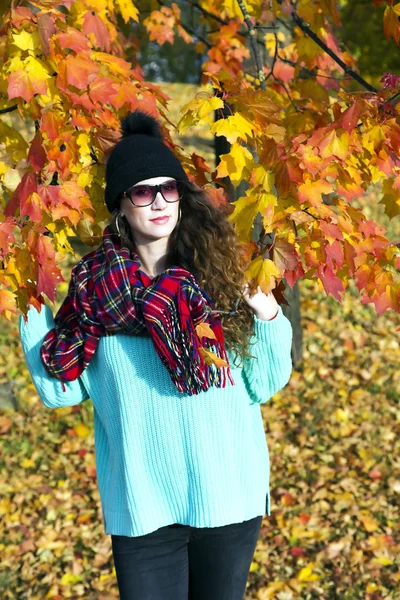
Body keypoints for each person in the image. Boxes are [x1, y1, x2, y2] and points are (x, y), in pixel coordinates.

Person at [19, 110, 293, 600]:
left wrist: (270, 318)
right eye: (143, 192)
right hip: (143, 509)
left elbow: (263, 384)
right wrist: (24, 302)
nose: (160, 201)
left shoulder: (218, 280)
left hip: (228, 498)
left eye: (169, 188)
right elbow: (59, 391)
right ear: (120, 205)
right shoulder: (92, 294)